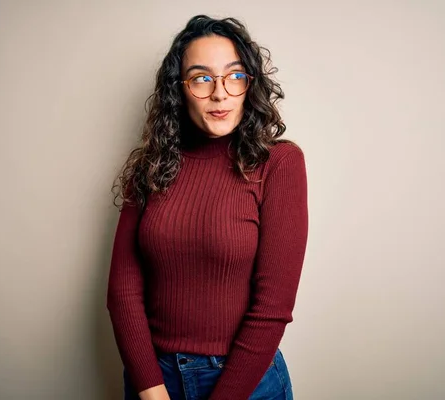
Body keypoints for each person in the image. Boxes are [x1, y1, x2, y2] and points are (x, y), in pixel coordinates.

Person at [106, 14, 308, 400]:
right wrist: (150, 388)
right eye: (201, 78)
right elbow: (123, 290)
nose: (220, 93)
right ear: (178, 89)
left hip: (245, 382)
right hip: (153, 378)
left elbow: (273, 307)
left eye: (234, 76)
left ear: (250, 85)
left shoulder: (279, 163)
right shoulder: (150, 166)